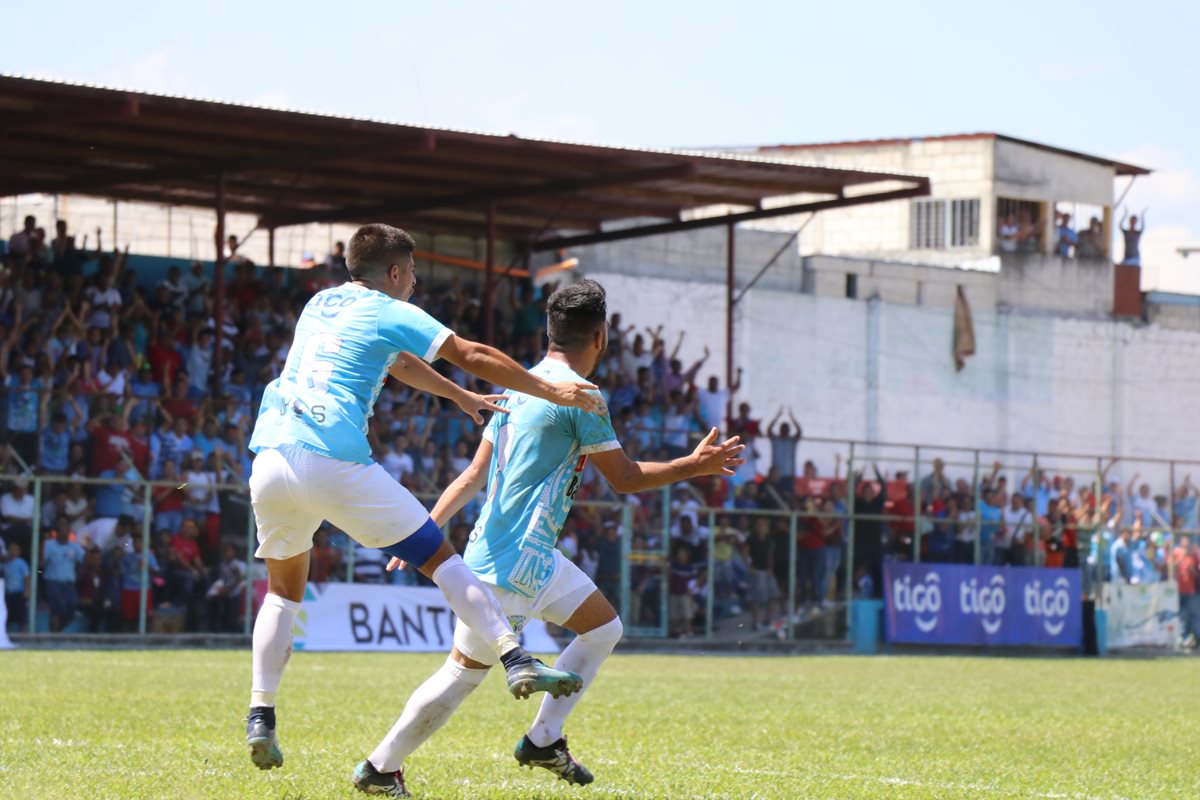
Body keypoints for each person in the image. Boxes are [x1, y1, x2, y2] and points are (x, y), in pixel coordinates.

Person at [354, 279, 743, 795]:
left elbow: (473, 475)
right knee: (463, 674)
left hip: (518, 553)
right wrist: (693, 466)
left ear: (550, 333)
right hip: (516, 560)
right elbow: (624, 479)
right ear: (601, 338)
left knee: (603, 628)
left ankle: (543, 737)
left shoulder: (519, 384)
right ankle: (381, 768)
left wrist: (425, 529)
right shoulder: (583, 397)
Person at [243, 223, 605, 771]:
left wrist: (458, 397)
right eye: (411, 272)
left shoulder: (320, 303)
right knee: (443, 559)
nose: (414, 283)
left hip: (270, 457)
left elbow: (398, 362)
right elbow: (471, 351)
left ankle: (260, 714)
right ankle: (515, 656)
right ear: (392, 272)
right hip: (332, 459)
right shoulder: (391, 308)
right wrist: (552, 388)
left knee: (281, 593)